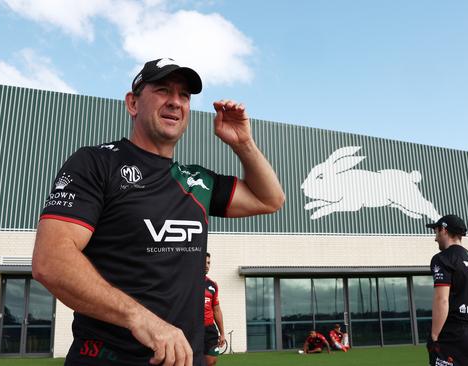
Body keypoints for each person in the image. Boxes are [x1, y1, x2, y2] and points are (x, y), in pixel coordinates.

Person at [32, 58, 285, 366]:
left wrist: (243, 143)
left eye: (184, 96)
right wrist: (139, 318)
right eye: (163, 90)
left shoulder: (196, 181)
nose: (175, 102)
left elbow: (270, 199)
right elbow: (51, 261)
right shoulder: (96, 163)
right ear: (133, 103)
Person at [426, 214, 468, 366]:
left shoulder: (443, 258)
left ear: (444, 230)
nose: (435, 238)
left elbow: (442, 299)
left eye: (436, 232)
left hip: (456, 337)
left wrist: (434, 337)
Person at [204, 253, 224, 366]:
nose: (207, 265)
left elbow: (216, 309)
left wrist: (222, 333)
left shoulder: (212, 285)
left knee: (211, 361)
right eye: (204, 262)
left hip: (209, 329)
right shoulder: (188, 283)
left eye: (208, 263)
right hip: (193, 329)